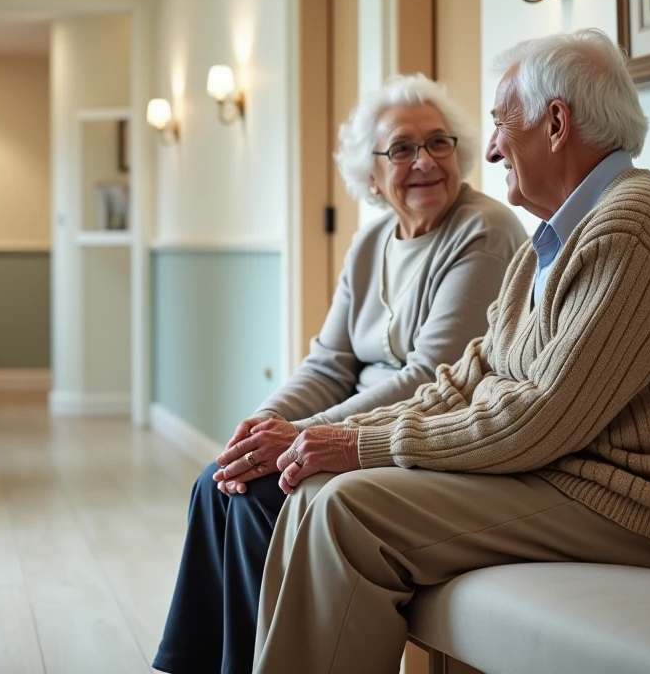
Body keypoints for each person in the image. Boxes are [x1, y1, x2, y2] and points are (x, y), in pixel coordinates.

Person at [252, 29, 650, 673]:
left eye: (500, 123)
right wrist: (328, 438)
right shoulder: (553, 238)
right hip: (571, 476)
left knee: (347, 510)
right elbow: (467, 378)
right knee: (313, 488)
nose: (490, 149)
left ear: (556, 124)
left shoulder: (630, 227)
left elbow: (540, 419)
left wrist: (361, 445)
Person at [152, 74, 528, 674]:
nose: (425, 161)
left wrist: (303, 438)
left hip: (419, 435)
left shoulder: (485, 230)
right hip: (349, 428)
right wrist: (265, 424)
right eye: (401, 149)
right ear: (371, 176)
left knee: (258, 496)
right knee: (216, 482)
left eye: (438, 142)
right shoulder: (371, 240)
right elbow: (330, 362)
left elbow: (432, 378)